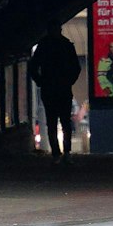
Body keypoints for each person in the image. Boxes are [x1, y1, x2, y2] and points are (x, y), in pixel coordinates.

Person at [30, 24, 82, 162]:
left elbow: (33, 66)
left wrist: (40, 81)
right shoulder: (67, 45)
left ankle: (56, 153)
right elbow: (76, 67)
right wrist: (69, 81)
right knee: (65, 122)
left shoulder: (43, 46)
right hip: (63, 89)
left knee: (51, 122)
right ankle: (66, 152)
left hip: (49, 89)